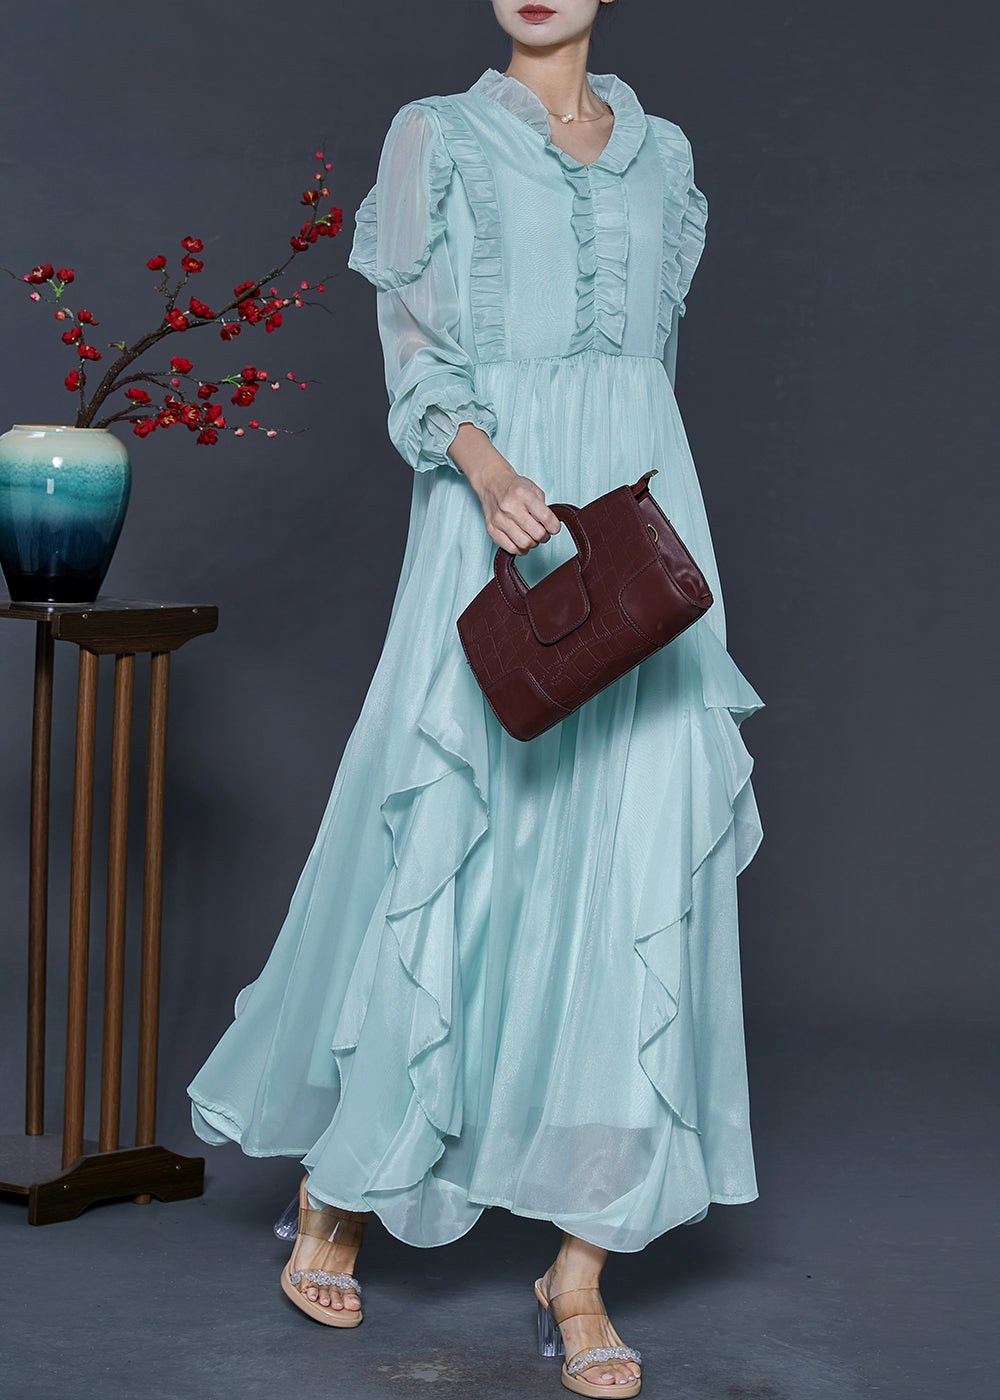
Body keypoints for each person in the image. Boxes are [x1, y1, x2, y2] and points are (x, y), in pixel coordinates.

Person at [186, 1, 765, 1393]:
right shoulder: (434, 138)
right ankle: (343, 1186)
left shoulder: (667, 157)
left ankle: (580, 1268)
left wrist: (633, 517)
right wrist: (488, 465)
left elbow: (650, 366)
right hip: (493, 506)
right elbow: (413, 343)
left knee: (636, 859)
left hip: (641, 526)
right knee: (446, 830)